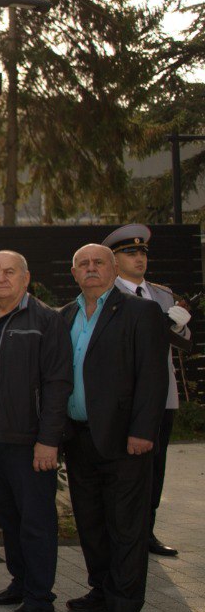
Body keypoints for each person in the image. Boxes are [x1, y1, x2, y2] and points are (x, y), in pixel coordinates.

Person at [59, 244, 169, 612]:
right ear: (74, 273)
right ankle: (101, 591)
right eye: (83, 264)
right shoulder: (66, 315)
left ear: (113, 268)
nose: (91, 269)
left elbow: (153, 377)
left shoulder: (140, 312)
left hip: (125, 441)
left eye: (98, 263)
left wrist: (143, 430)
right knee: (90, 522)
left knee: (126, 527)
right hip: (79, 437)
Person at [0, 251, 71, 612]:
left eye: (9, 272)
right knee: (9, 517)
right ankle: (21, 583)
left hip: (28, 442)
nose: (1, 279)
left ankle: (40, 599)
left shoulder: (45, 320)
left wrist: (49, 440)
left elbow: (58, 384)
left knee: (36, 521)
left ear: (26, 278)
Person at [102, 223, 192, 559]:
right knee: (127, 469)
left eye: (142, 253)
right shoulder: (111, 295)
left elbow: (184, 344)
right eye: (130, 253)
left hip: (162, 395)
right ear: (114, 259)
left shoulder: (162, 294)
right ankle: (126, 532)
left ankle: (147, 531)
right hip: (126, 396)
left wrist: (179, 325)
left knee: (157, 465)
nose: (139, 258)